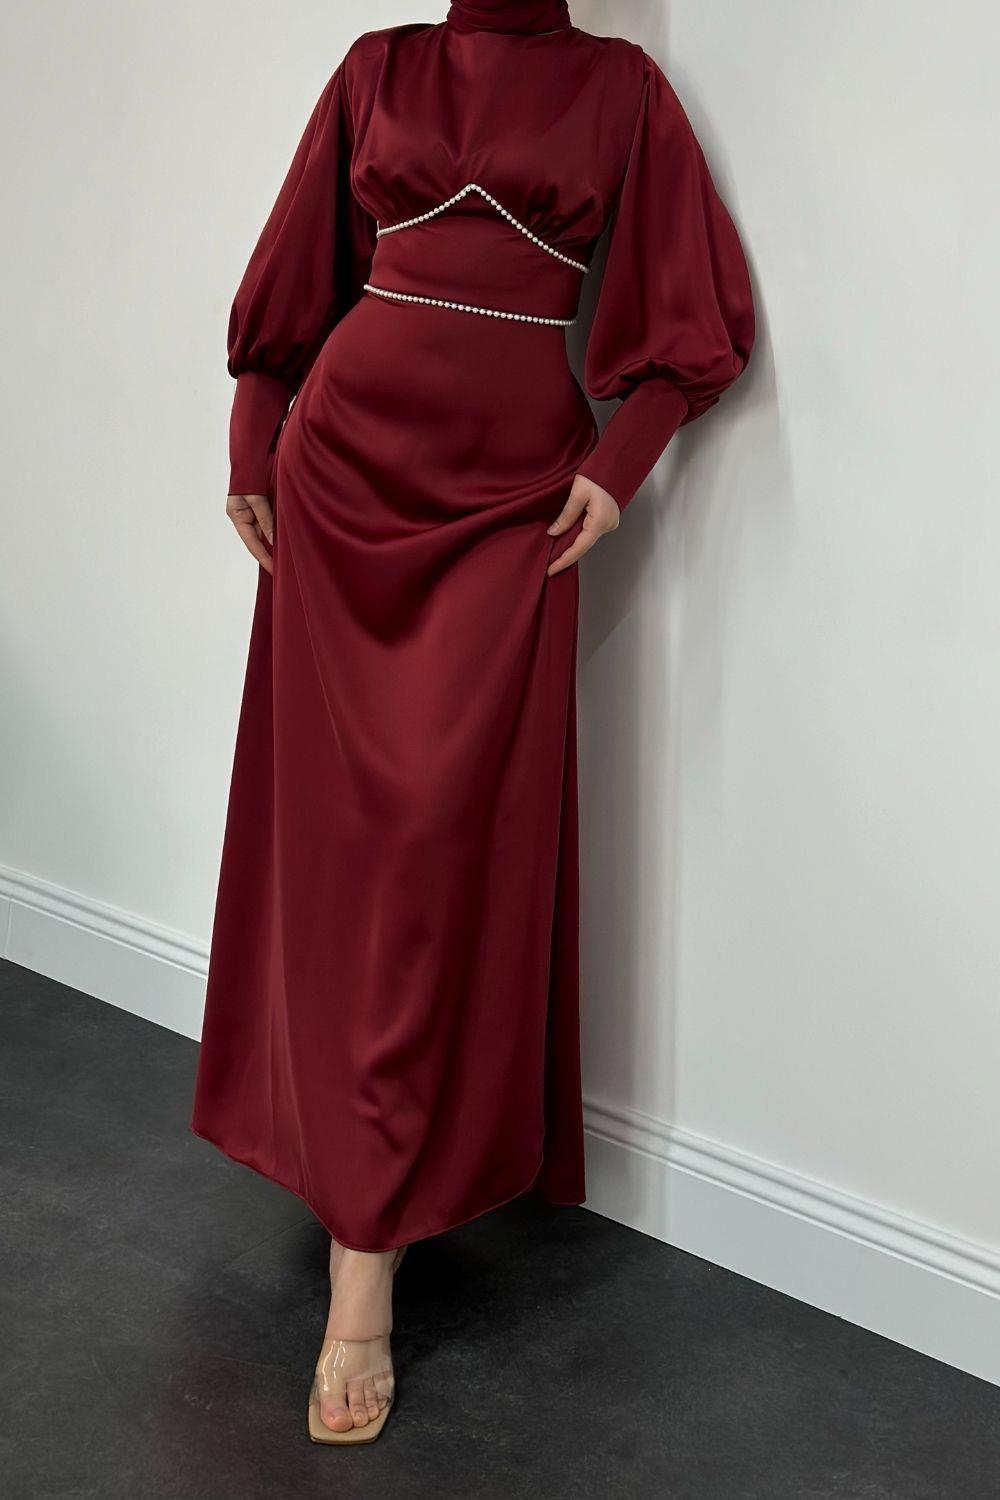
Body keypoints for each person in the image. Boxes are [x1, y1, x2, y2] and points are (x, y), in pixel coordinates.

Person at [191, 0, 754, 1444]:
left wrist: (620, 466)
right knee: (339, 852)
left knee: (441, 849)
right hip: (340, 485)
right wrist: (255, 435)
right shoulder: (377, 67)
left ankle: (389, 1195)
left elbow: (692, 331)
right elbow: (292, 284)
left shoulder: (621, 90)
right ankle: (359, 1253)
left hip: (511, 507)